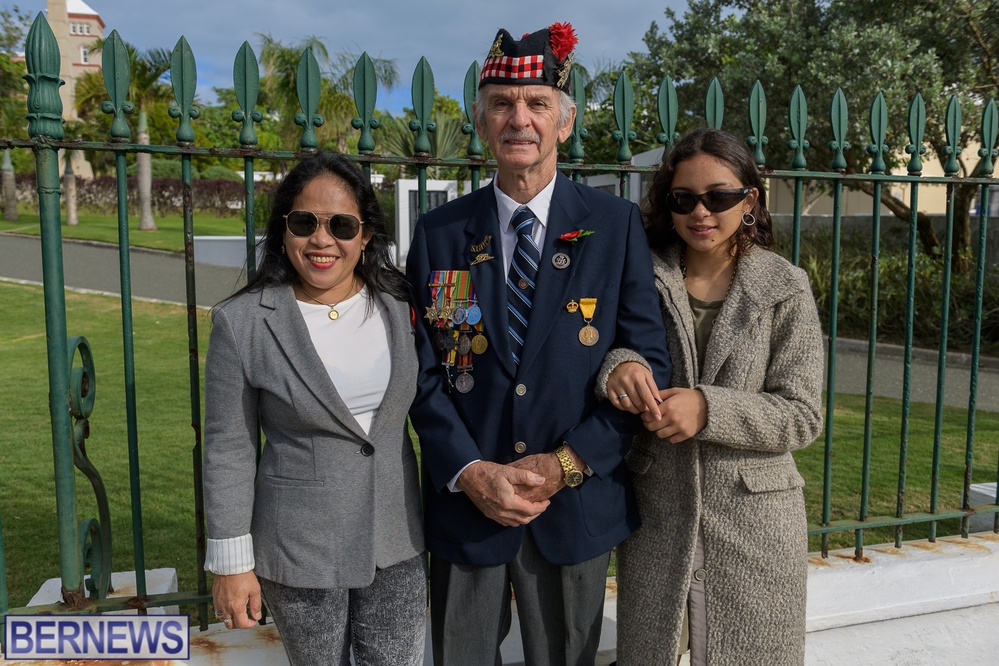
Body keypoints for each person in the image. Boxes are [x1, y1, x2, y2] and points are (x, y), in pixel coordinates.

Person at [406, 23, 671, 665]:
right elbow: (424, 370)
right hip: (469, 507)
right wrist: (471, 473)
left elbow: (648, 362)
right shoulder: (440, 233)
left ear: (565, 121)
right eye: (501, 103)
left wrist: (567, 464)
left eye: (537, 103)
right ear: (480, 121)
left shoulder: (614, 225)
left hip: (572, 503)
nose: (518, 118)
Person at [599, 127, 824, 665]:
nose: (701, 212)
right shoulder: (639, 273)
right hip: (658, 511)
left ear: (749, 199)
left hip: (756, 522)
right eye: (684, 199)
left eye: (719, 197)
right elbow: (600, 347)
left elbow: (802, 414)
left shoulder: (784, 285)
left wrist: (708, 408)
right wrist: (618, 366)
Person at [202, 152, 425, 665]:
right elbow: (228, 448)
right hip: (299, 549)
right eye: (305, 223)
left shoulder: (400, 307)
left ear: (365, 236)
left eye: (342, 225)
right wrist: (232, 564)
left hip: (397, 537)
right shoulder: (242, 323)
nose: (322, 240)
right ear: (284, 231)